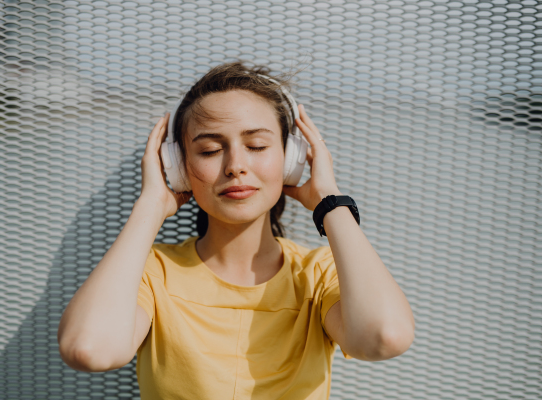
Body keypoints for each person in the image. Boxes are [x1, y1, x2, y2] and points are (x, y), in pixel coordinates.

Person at [57, 61, 415, 399]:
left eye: (257, 145)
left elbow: (385, 337)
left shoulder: (318, 274)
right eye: (211, 150)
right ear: (180, 166)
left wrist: (330, 201)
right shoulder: (153, 273)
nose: (236, 166)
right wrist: (149, 208)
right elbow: (87, 348)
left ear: (291, 158)